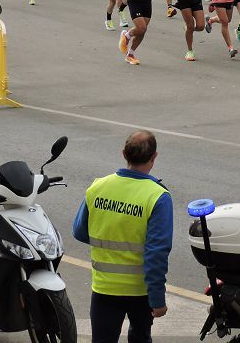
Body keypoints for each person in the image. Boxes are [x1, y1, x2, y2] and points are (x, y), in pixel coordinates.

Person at [73, 131, 173, 343]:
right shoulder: (157, 197)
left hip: (103, 289)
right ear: (154, 157)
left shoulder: (98, 187)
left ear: (123, 154)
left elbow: (80, 231)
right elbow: (157, 253)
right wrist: (157, 300)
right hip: (140, 293)